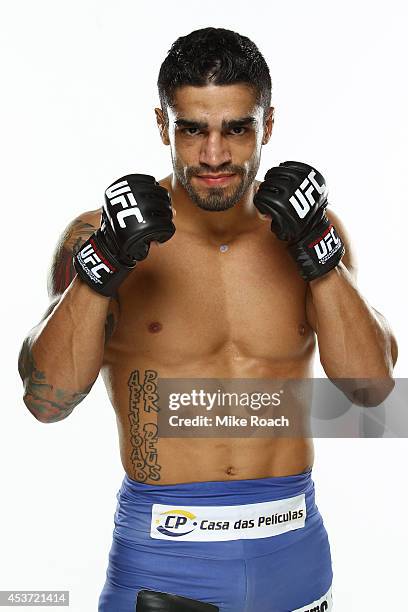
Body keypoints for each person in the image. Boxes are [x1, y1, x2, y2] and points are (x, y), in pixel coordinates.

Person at [18, 27, 398, 612]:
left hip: (294, 554)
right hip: (165, 565)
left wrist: (321, 262)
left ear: (267, 126)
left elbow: (372, 390)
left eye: (236, 129)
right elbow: (47, 403)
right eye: (192, 129)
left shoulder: (314, 232)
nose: (214, 155)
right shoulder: (99, 237)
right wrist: (102, 270)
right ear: (162, 125)